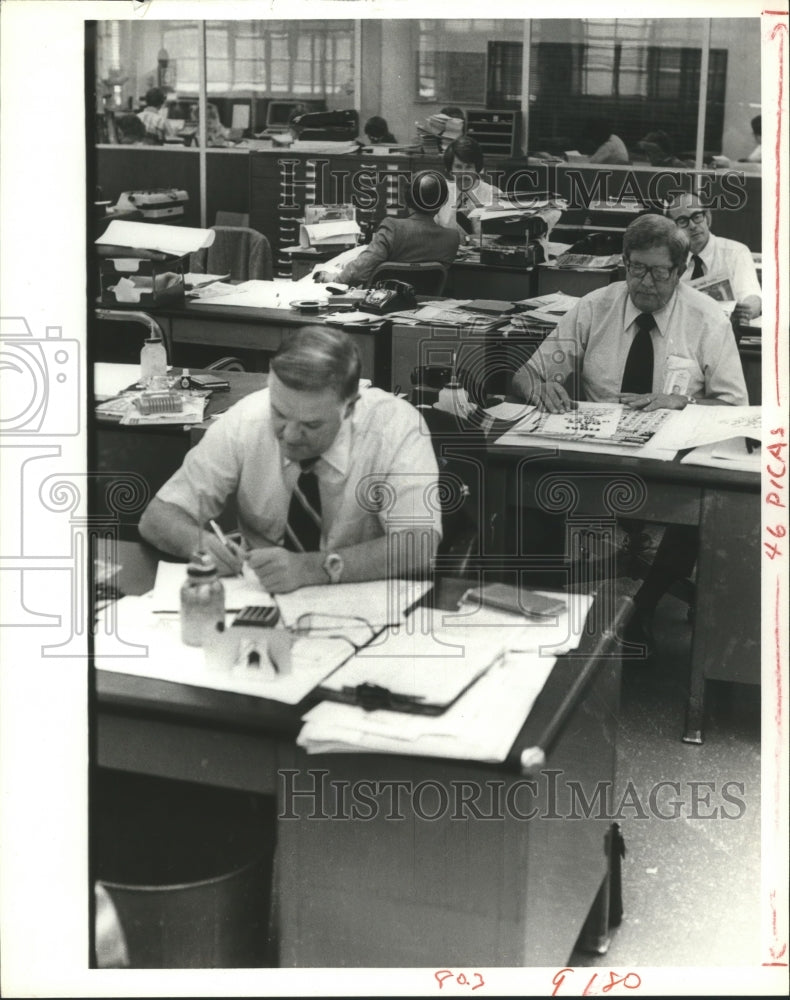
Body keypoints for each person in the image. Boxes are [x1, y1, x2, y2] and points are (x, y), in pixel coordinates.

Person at [512, 213, 748, 650]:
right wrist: (539, 385)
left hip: (672, 467)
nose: (646, 282)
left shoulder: (707, 320)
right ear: (625, 263)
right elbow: (527, 375)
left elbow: (736, 409)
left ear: (680, 272)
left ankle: (644, 604)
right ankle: (544, 610)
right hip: (595, 456)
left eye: (660, 273)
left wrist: (686, 402)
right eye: (637, 268)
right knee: (524, 484)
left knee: (702, 510)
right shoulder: (595, 307)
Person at [138, 327, 441, 593]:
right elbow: (158, 518)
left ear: (349, 409)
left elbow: (419, 544)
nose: (291, 435)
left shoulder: (396, 427)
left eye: (311, 425)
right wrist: (200, 544)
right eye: (280, 414)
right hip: (263, 601)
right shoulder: (246, 420)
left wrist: (311, 569)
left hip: (369, 600)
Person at [313, 170, 460, 287]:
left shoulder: (393, 227)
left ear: (406, 200)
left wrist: (334, 278)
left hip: (381, 306)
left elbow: (358, 273)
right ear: (443, 202)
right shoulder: (452, 239)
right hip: (423, 308)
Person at [667, 192, 761, 324]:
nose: (692, 226)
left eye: (697, 217)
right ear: (673, 227)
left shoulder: (736, 252)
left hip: (724, 333)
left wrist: (746, 311)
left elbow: (752, 296)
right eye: (683, 221)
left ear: (708, 217)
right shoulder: (669, 258)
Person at [435, 136, 504, 239]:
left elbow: (500, 236)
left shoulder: (493, 195)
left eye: (469, 167)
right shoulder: (442, 193)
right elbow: (432, 232)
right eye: (458, 167)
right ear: (450, 170)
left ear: (477, 168)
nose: (464, 173)